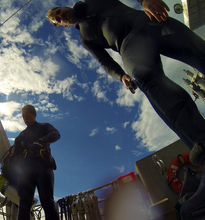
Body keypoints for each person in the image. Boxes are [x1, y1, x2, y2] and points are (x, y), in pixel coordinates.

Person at [47, 0, 205, 219]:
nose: (59, 16)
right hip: (129, 46)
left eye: (57, 12)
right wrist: (120, 75)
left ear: (63, 6)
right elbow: (103, 61)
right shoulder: (85, 38)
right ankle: (202, 144)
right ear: (63, 26)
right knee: (146, 81)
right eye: (57, 20)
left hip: (147, 21)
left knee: (196, 48)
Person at [11, 104, 60, 220]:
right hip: (26, 173)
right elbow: (13, 157)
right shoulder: (20, 136)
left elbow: (56, 134)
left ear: (34, 115)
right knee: (23, 205)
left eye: (27, 116)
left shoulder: (44, 127)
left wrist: (42, 140)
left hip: (43, 167)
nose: (25, 119)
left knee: (47, 201)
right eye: (23, 117)